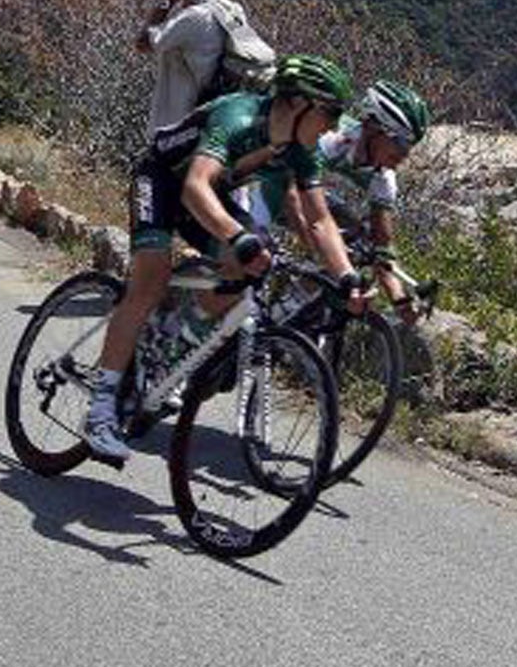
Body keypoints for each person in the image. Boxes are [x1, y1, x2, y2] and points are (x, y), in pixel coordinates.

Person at [84, 54, 366, 464]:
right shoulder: (239, 117)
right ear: (302, 104)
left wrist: (348, 277)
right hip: (163, 180)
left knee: (249, 267)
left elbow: (320, 220)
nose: (336, 127)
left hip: (211, 196)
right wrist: (237, 236)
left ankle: (172, 337)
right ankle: (101, 409)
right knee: (150, 281)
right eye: (332, 113)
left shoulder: (300, 150)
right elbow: (195, 186)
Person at [245, 79, 433, 321]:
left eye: (411, 147)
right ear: (374, 128)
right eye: (401, 143)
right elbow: (293, 193)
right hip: (269, 184)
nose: (404, 155)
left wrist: (399, 298)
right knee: (246, 270)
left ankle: (288, 308)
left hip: (307, 193)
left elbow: (382, 246)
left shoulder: (384, 178)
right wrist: (317, 246)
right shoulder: (332, 138)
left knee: (361, 239)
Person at [136, 0, 241, 137]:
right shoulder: (232, 9)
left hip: (181, 124)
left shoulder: (192, 17)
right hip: (217, 116)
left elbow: (142, 43)